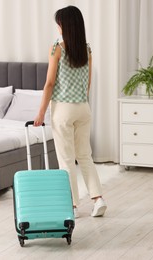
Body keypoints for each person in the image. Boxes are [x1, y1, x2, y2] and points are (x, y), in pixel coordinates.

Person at [34, 6, 107, 218]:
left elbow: (49, 83)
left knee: (66, 159)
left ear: (64, 26)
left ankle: (72, 206)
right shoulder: (87, 48)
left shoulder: (57, 47)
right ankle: (98, 199)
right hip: (83, 108)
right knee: (85, 155)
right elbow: (88, 82)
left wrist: (40, 113)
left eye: (59, 23)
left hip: (63, 109)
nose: (57, 27)